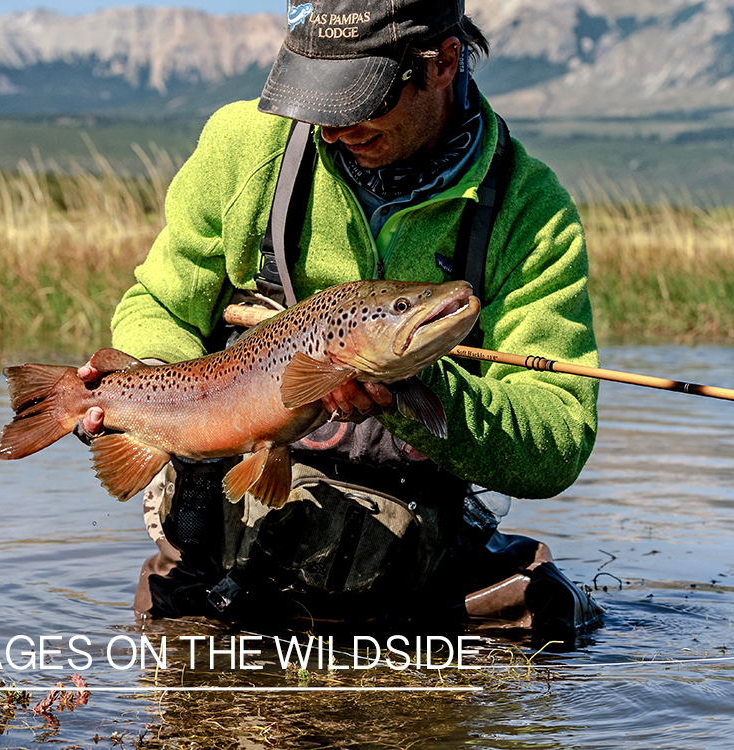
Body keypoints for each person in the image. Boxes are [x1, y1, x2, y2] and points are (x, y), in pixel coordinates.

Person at [78, 0, 603, 643]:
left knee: (550, 620)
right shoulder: (245, 146)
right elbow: (158, 305)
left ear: (442, 61)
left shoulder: (531, 212)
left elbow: (556, 439)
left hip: (414, 559)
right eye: (316, 97)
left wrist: (415, 393)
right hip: (225, 552)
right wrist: (157, 391)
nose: (331, 129)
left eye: (361, 98)